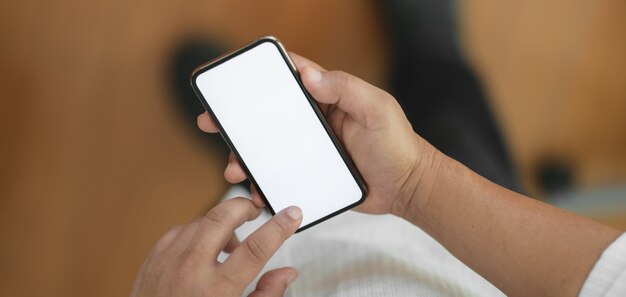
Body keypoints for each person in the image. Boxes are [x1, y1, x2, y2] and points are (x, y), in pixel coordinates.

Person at [130, 52, 625, 296]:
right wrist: (416, 181)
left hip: (279, 264)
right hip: (483, 248)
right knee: (447, 93)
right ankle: (429, 41)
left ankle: (247, 142)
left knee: (233, 213)